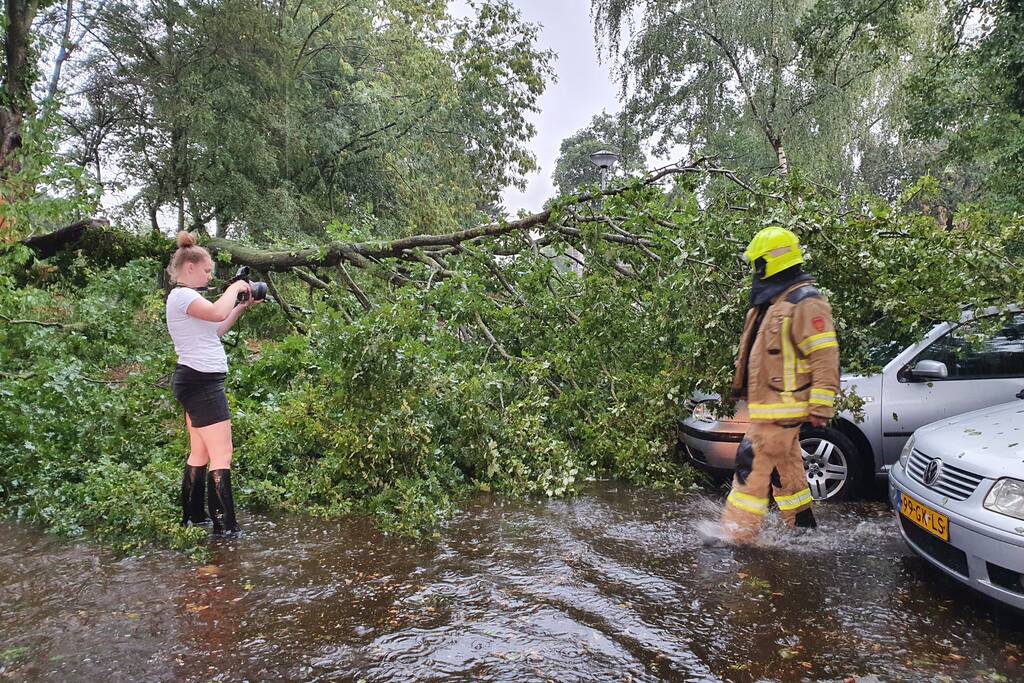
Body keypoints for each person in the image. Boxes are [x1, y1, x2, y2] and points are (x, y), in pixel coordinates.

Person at [719, 226, 840, 544]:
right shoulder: (774, 303)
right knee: (784, 469)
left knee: (752, 464)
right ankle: (802, 527)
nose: (754, 271)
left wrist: (821, 405)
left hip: (783, 407)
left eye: (757, 263)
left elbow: (825, 355)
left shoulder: (806, 303)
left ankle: (736, 537)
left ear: (770, 262)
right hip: (771, 407)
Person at [166, 231, 260, 535]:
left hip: (194, 379)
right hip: (202, 383)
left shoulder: (187, 299)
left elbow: (215, 329)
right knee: (223, 455)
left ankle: (195, 518)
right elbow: (217, 310)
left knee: (200, 453)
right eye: (207, 270)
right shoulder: (183, 296)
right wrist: (234, 288)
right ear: (190, 268)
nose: (210, 275)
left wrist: (240, 307)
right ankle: (226, 528)